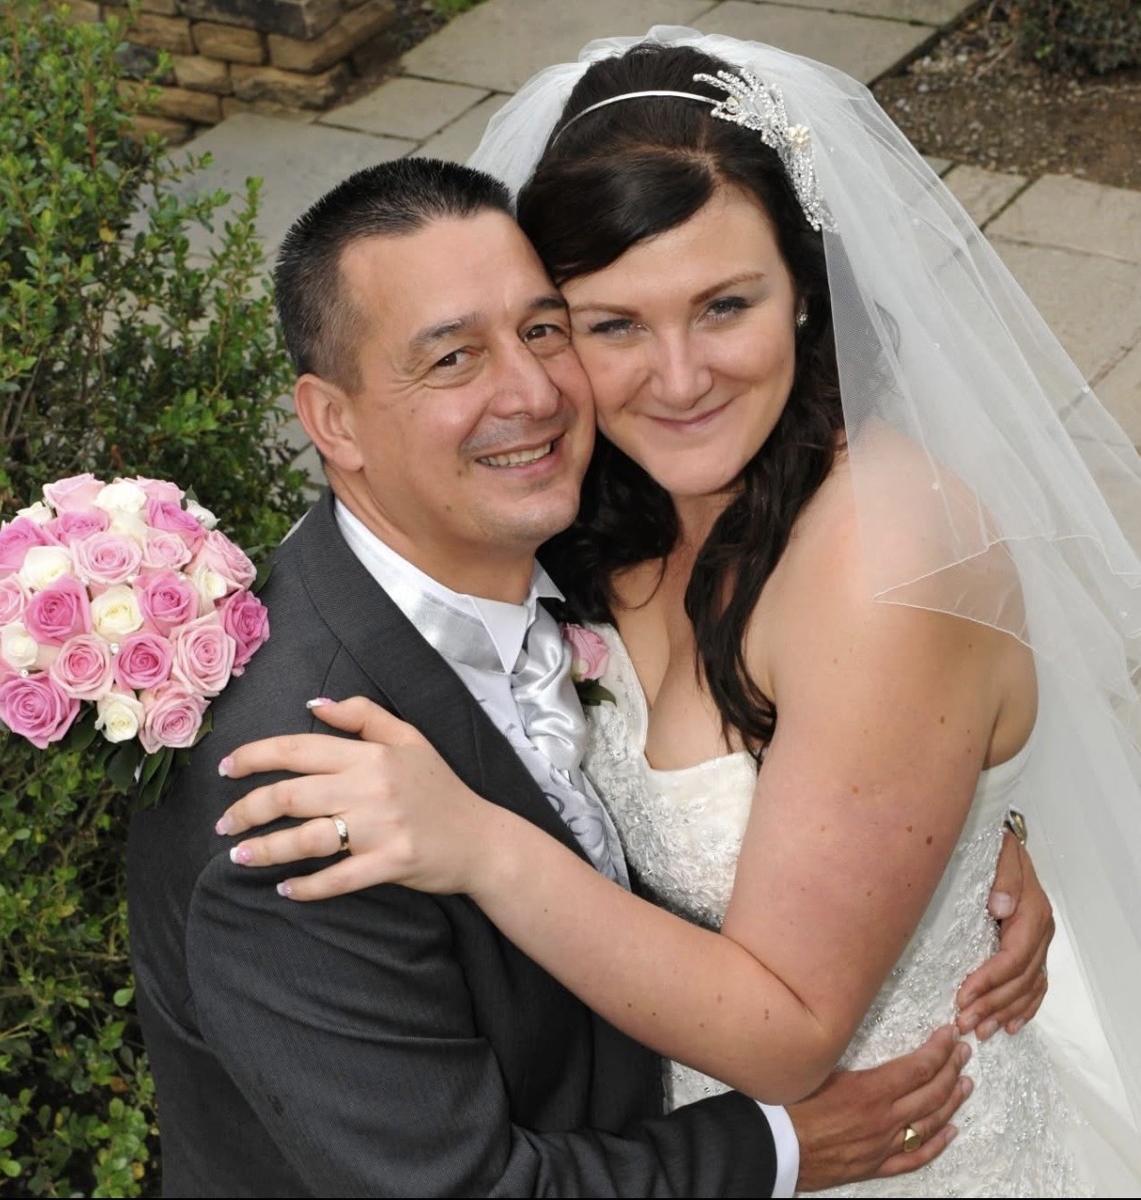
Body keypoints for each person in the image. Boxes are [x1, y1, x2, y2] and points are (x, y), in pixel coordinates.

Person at [214, 27, 1141, 1198]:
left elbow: (787, 1035)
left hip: (904, 1149)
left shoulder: (883, 558)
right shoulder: (585, 500)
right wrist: (970, 822)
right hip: (669, 1145)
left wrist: (480, 846)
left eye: (723, 306)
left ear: (802, 294)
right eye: (611, 326)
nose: (680, 377)